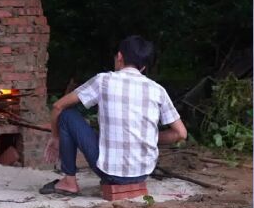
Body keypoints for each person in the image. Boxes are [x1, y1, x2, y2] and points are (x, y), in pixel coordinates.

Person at [40, 35, 187, 196]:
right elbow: (180, 133)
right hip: (143, 173)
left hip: (110, 173)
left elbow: (57, 106)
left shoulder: (104, 80)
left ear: (119, 57)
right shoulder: (158, 90)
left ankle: (69, 181)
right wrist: (147, 138)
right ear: (143, 67)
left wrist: (56, 138)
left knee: (67, 115)